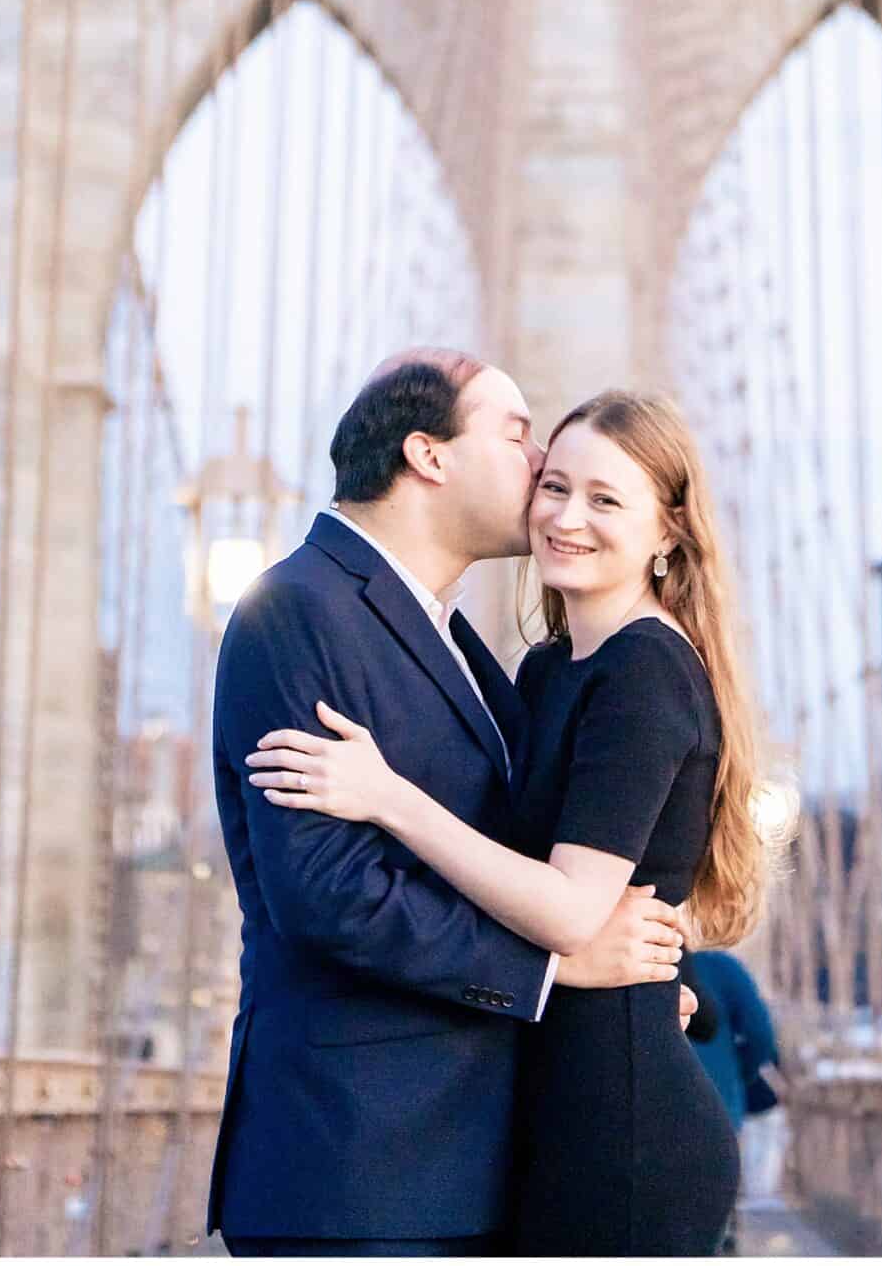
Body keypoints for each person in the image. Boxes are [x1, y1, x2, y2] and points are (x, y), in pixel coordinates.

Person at [250, 387, 763, 1258]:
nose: (566, 517)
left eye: (606, 500)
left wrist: (387, 796)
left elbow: (566, 909)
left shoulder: (645, 670)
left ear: (668, 532)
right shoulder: (548, 668)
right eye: (553, 486)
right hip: (544, 1120)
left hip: (622, 1138)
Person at [688, 950, 787, 1218]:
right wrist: (740, 1074)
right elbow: (760, 1033)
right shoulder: (724, 968)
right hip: (719, 1101)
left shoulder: (643, 950)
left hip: (653, 1103)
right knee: (717, 1207)